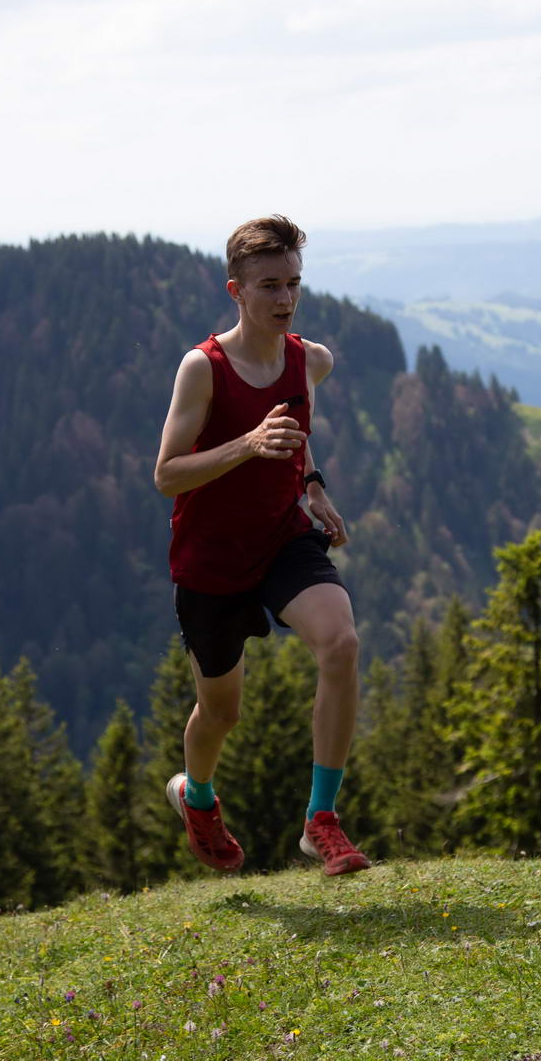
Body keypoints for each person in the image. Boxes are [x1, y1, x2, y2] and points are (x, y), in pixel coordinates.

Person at [153, 214, 370, 877]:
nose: (285, 299)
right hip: (211, 563)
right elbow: (166, 475)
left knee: (341, 643)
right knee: (221, 714)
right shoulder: (204, 368)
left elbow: (294, 428)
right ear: (236, 291)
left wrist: (313, 485)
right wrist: (246, 446)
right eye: (270, 286)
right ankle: (197, 797)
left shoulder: (310, 360)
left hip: (282, 539)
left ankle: (321, 821)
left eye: (294, 284)